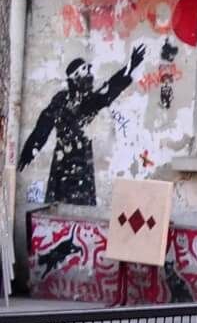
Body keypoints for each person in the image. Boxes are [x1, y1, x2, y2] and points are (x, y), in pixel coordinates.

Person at [18, 44, 147, 206]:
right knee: (58, 205)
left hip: (82, 164)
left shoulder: (89, 100)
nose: (90, 74)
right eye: (85, 70)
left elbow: (109, 90)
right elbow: (43, 126)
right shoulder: (60, 100)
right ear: (75, 76)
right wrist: (29, 150)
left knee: (82, 205)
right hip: (62, 163)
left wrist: (130, 66)